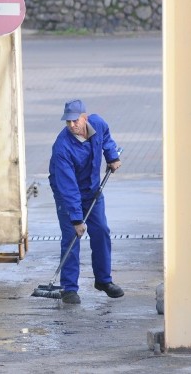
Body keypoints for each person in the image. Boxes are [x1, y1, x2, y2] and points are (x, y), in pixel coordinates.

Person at [48, 99, 123, 305]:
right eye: (68, 122)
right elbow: (68, 186)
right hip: (67, 194)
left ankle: (103, 281)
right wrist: (76, 219)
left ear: (85, 117)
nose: (72, 125)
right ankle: (69, 288)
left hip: (92, 191)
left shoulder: (97, 124)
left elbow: (106, 139)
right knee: (72, 236)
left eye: (75, 121)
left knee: (101, 231)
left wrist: (112, 156)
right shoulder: (62, 147)